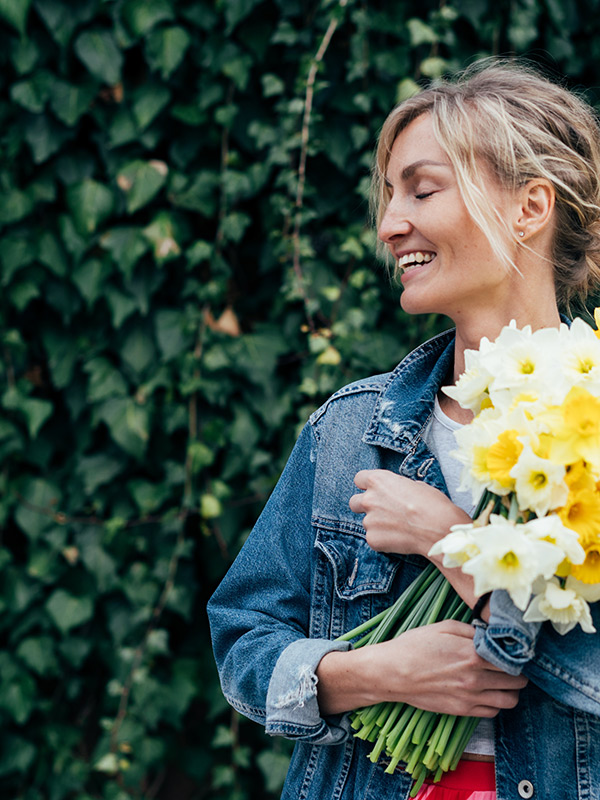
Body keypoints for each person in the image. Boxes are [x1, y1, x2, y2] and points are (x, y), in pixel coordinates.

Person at [207, 60, 600, 800]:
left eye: (422, 190)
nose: (389, 224)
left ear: (530, 207)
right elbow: (243, 635)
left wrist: (451, 542)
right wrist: (369, 673)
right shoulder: (349, 431)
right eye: (389, 196)